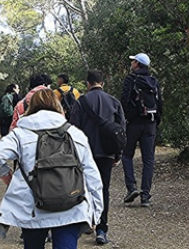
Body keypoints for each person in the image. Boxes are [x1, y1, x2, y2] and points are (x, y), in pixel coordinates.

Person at [0, 86, 104, 249]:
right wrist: (95, 214)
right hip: (71, 205)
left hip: (32, 207)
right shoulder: (75, 134)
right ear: (58, 106)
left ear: (31, 108)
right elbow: (93, 177)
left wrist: (7, 175)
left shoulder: (21, 133)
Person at [69, 70, 125, 245]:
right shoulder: (114, 102)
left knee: (83, 188)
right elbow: (121, 129)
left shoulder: (81, 102)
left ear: (87, 84)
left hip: (86, 153)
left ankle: (86, 222)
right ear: (103, 83)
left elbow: (73, 128)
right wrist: (118, 154)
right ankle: (102, 229)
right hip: (107, 152)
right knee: (103, 189)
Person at [120, 52, 162, 207]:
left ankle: (131, 187)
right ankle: (145, 197)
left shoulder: (131, 79)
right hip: (150, 124)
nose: (131, 64)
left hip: (134, 124)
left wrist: (126, 119)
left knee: (126, 155)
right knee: (149, 160)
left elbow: (124, 100)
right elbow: (160, 103)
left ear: (137, 64)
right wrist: (156, 121)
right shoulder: (153, 81)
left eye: (133, 62)